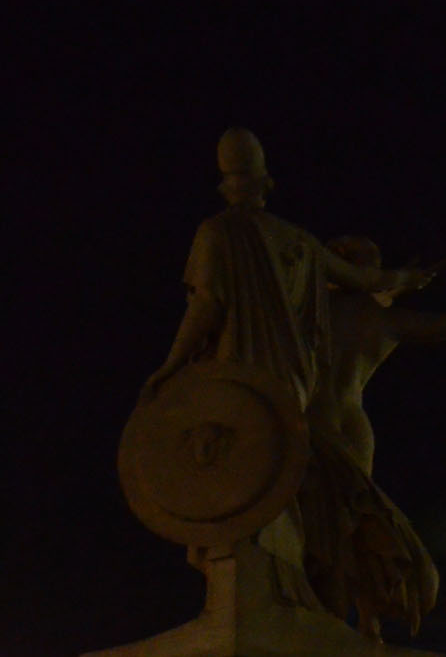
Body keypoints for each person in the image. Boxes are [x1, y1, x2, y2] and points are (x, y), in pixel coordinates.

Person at [141, 129, 430, 607]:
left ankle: (255, 597)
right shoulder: (300, 242)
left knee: (238, 484)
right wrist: (408, 279)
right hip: (291, 385)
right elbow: (366, 280)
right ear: (264, 184)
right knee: (282, 488)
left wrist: (171, 364)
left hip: (241, 383)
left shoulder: (215, 233)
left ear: (225, 185)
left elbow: (207, 304)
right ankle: (288, 590)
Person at [300, 230, 446, 637]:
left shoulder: (307, 311)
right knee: (359, 522)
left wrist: (399, 280)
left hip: (315, 418)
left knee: (318, 524)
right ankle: (369, 618)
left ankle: (324, 611)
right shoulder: (383, 319)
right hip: (355, 423)